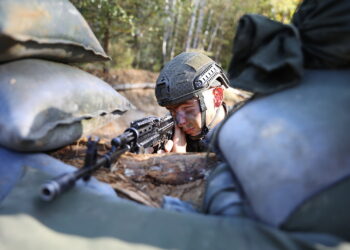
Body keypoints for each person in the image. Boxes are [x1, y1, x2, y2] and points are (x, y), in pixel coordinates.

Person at [155, 52, 231, 153]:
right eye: (172, 111)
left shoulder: (247, 137)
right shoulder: (170, 132)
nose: (180, 122)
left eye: (188, 109)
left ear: (217, 97)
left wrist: (179, 162)